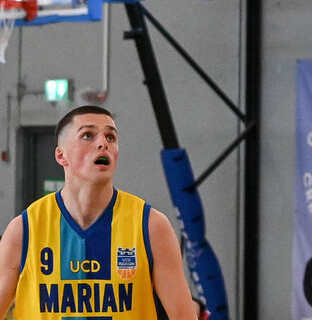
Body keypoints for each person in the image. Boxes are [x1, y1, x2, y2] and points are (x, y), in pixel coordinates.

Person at [0, 105, 196, 319]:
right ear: (61, 155)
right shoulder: (23, 229)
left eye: (111, 137)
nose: (103, 143)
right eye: (88, 135)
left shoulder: (150, 225)